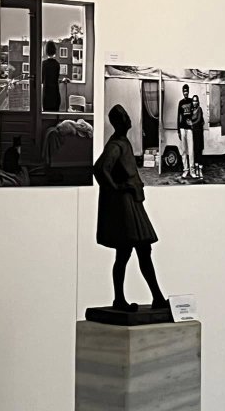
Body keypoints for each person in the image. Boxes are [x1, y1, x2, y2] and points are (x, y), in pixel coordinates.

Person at [94, 104, 169, 312]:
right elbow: (100, 169)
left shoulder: (122, 142)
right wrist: (117, 188)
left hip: (131, 203)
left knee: (135, 252)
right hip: (125, 206)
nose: (128, 119)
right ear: (118, 122)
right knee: (130, 252)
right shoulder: (116, 145)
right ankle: (130, 299)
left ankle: (154, 298)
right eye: (123, 117)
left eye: (126, 115)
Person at [176, 84, 195, 178]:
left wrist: (193, 124)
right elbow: (178, 117)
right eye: (184, 91)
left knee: (191, 151)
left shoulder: (192, 101)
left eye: (187, 91)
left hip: (190, 129)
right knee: (183, 150)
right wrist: (178, 131)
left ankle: (192, 171)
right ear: (182, 92)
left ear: (188, 91)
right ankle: (185, 170)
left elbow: (195, 114)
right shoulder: (181, 102)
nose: (185, 93)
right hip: (182, 128)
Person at [41, 40, 62, 112]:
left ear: (46, 51)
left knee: (46, 114)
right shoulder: (57, 64)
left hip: (46, 94)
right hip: (55, 94)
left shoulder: (43, 64)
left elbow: (42, 79)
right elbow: (56, 78)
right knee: (55, 114)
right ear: (54, 51)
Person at [190, 95, 205, 180]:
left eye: (196, 101)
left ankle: (200, 170)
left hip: (199, 133)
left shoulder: (199, 109)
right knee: (195, 151)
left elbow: (199, 120)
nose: (194, 102)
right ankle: (196, 169)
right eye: (193, 101)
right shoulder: (191, 110)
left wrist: (192, 123)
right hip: (193, 133)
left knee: (199, 151)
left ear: (198, 102)